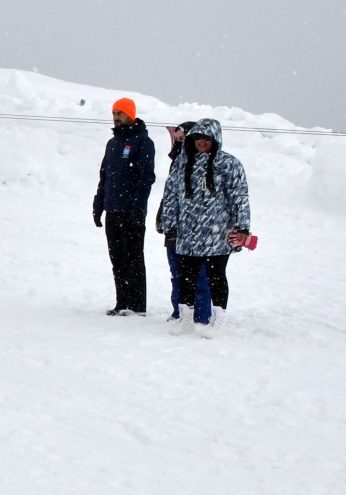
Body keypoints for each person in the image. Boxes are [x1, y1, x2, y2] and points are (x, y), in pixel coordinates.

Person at [157, 118, 252, 335]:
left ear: (215, 140)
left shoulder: (229, 164)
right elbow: (170, 196)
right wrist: (169, 225)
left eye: (206, 139)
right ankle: (186, 319)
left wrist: (243, 227)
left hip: (217, 234)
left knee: (216, 276)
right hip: (187, 233)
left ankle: (219, 321)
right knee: (185, 277)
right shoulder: (182, 163)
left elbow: (240, 197)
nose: (201, 142)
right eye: (198, 138)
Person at [92, 97, 157, 316]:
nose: (117, 117)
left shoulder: (142, 141)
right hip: (113, 208)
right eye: (114, 113)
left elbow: (146, 177)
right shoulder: (112, 143)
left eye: (121, 113)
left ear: (131, 114)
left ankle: (137, 306)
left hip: (131, 211)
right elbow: (105, 176)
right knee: (117, 258)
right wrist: (99, 203)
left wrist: (138, 206)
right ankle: (122, 302)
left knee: (133, 258)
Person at [158, 121, 213, 325]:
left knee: (199, 276)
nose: (178, 143)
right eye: (176, 139)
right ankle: (179, 313)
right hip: (174, 230)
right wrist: (162, 219)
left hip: (198, 231)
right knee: (177, 274)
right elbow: (170, 196)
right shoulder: (178, 163)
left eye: (182, 139)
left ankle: (200, 315)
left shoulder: (203, 164)